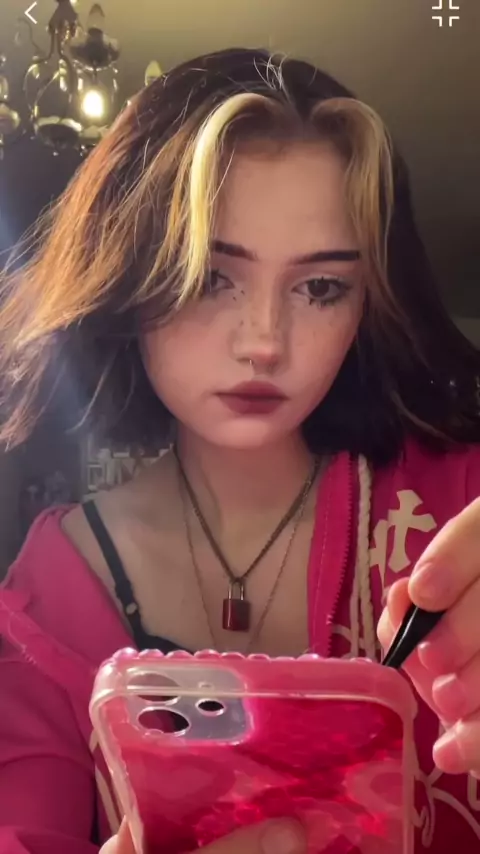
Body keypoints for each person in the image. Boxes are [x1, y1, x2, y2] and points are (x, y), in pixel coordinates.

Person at [0, 47, 479, 854]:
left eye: (320, 287)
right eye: (210, 277)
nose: (264, 342)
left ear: (366, 306)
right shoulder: (48, 590)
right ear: (131, 278)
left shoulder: (454, 509)